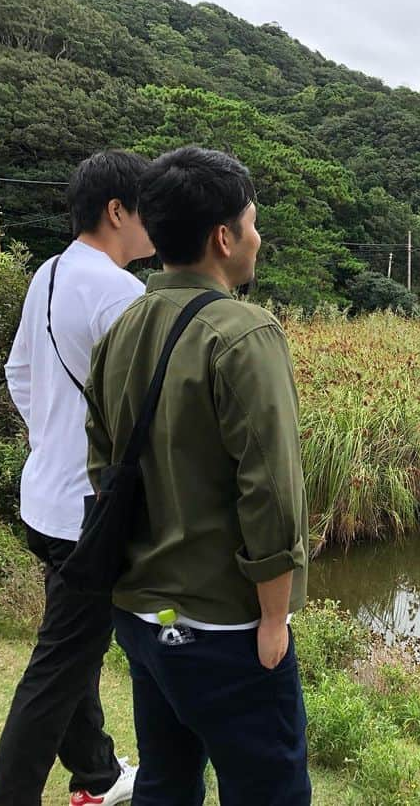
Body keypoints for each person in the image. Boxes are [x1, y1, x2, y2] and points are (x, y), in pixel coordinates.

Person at [84, 146, 310, 805]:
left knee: (168, 778)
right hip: (223, 626)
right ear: (224, 236)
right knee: (268, 789)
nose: (258, 236)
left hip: (143, 613)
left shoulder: (120, 330)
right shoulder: (243, 333)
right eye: (253, 222)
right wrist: (274, 619)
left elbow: (101, 468)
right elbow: (270, 489)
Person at [0, 151, 152, 806]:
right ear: (117, 211)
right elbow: (147, 413)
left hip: (44, 502)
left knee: (75, 646)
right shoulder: (123, 293)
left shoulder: (51, 273)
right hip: (90, 516)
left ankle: (97, 773)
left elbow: (18, 373)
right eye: (148, 210)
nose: (156, 226)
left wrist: (54, 439)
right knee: (59, 668)